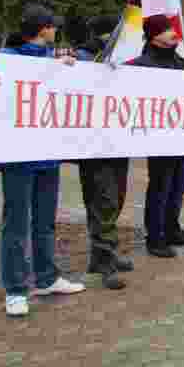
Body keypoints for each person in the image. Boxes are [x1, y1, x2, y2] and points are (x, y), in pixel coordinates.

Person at [0, 4, 86, 317]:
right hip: (19, 158)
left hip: (47, 155)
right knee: (16, 224)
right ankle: (16, 290)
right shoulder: (6, 61)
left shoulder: (49, 61)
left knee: (45, 221)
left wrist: (67, 67)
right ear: (42, 28)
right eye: (52, 25)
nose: (56, 29)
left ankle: (46, 278)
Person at [129, 15, 184, 257]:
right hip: (158, 137)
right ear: (154, 36)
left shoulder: (180, 62)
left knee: (178, 185)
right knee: (161, 186)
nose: (173, 32)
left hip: (181, 135)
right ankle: (155, 237)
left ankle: (172, 229)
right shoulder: (141, 65)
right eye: (167, 29)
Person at [74, 15, 132, 290]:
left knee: (116, 198)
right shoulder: (83, 58)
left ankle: (101, 255)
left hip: (117, 141)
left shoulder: (121, 59)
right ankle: (104, 258)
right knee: (102, 200)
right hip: (93, 145)